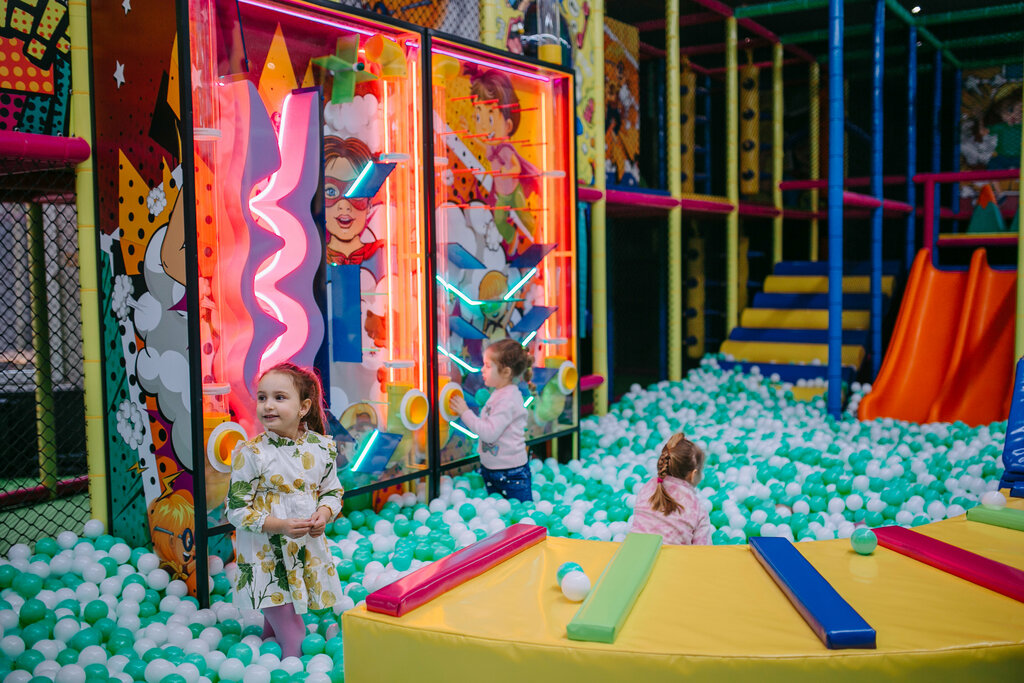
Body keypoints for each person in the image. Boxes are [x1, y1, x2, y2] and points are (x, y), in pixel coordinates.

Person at [226, 363, 344, 657]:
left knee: (280, 618)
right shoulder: (253, 453)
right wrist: (280, 525)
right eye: (262, 397)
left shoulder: (321, 447)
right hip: (267, 556)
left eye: (279, 397)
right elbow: (236, 509)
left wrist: (324, 514)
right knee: (295, 636)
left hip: (303, 548)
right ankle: (291, 661)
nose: (268, 405)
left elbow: (332, 490)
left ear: (303, 407)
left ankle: (269, 642)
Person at [449, 339, 533, 502]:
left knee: (520, 515)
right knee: (498, 515)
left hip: (511, 473)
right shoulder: (499, 393)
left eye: (488, 366)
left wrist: (464, 412)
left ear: (506, 372)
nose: (482, 370)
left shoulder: (508, 399)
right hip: (492, 469)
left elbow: (489, 433)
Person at [629, 433, 712, 545]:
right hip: (673, 561)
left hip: (638, 556)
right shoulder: (697, 509)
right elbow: (702, 552)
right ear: (693, 475)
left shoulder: (647, 487)